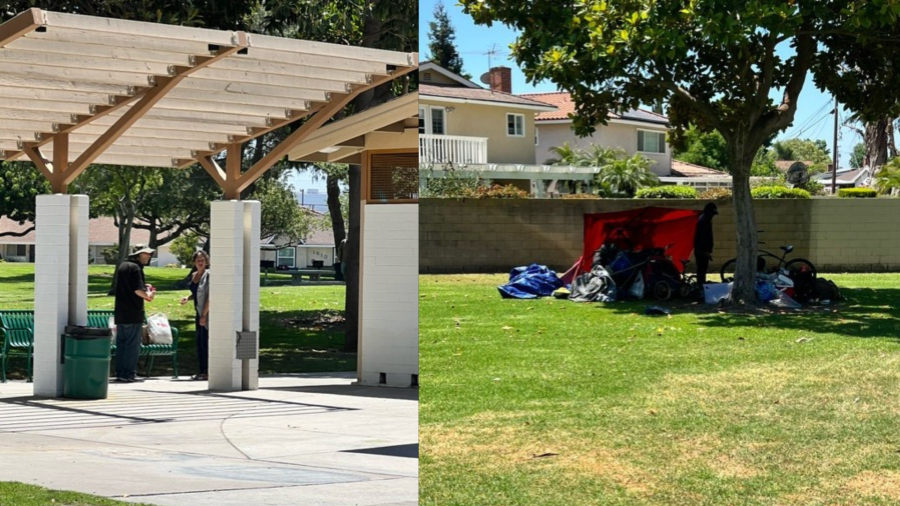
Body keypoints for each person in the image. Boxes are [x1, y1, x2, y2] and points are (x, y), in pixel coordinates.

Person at [114, 244, 156, 383]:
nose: (149, 256)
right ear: (139, 255)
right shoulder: (136, 268)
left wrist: (144, 287)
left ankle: (120, 372)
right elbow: (137, 290)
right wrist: (149, 295)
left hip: (120, 312)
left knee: (122, 345)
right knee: (132, 345)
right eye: (146, 254)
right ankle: (129, 374)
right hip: (133, 312)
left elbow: (128, 286)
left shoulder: (123, 266)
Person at [180, 250, 210, 381]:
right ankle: (202, 371)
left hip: (207, 313)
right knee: (199, 343)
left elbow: (210, 297)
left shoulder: (209, 275)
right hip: (198, 312)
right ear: (194, 262)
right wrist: (188, 297)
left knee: (206, 342)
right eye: (198, 260)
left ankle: (208, 372)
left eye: (203, 260)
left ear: (207, 261)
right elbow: (197, 293)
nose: (200, 262)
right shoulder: (194, 275)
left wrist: (204, 315)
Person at [694, 202, 718, 285]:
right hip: (702, 249)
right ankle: (701, 285)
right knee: (702, 268)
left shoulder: (701, 218)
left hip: (699, 248)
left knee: (701, 268)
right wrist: (707, 250)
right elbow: (706, 237)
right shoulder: (705, 221)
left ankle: (700, 284)